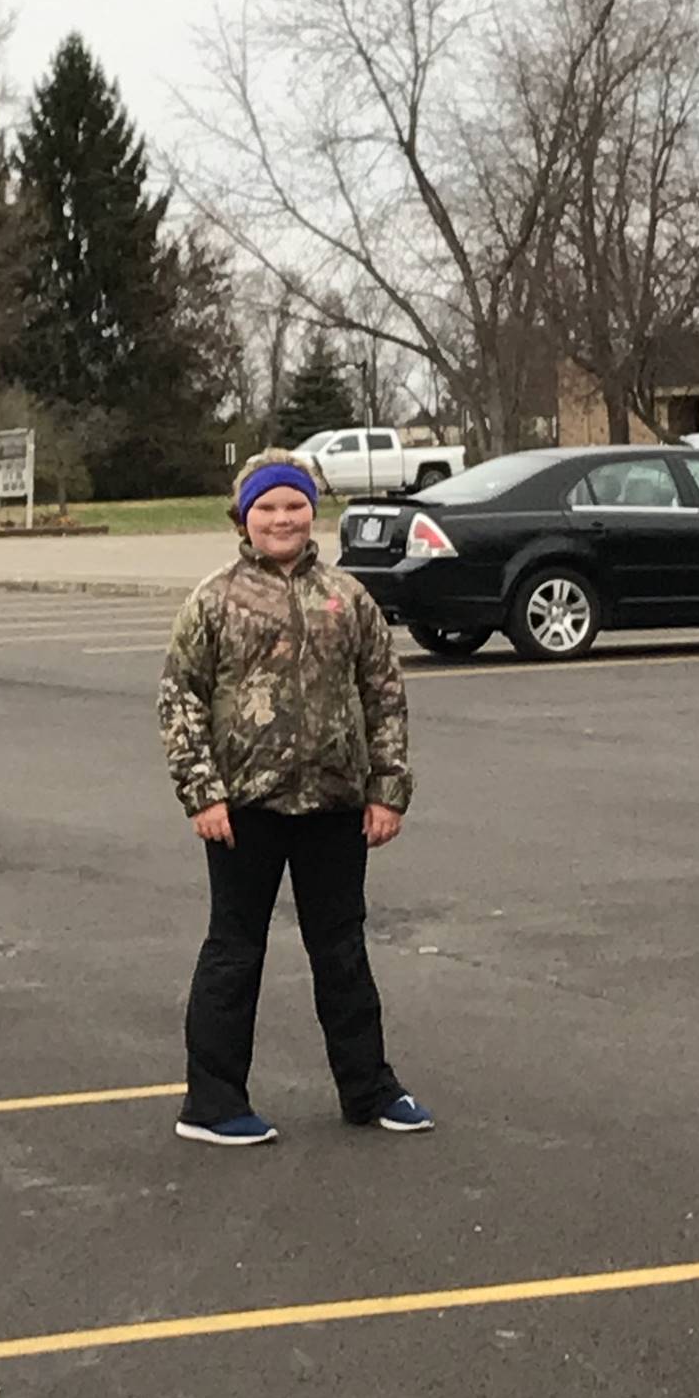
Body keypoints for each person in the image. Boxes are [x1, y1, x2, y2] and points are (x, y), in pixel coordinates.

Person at [158, 448, 431, 1147]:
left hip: (335, 807)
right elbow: (180, 698)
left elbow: (384, 694)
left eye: (294, 506)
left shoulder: (348, 599)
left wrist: (388, 788)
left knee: (341, 951)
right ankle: (213, 1104)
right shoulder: (214, 599)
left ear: (314, 512)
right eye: (267, 508)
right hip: (244, 809)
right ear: (244, 517)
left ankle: (369, 1088)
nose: (282, 519)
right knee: (234, 949)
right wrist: (202, 793)